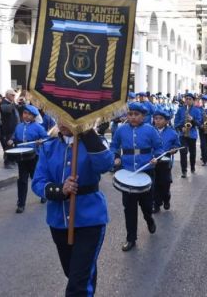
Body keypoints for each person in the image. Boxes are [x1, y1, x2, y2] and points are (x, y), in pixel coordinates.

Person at [32, 123, 113, 296]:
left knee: (78, 283)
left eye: (68, 117)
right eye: (60, 117)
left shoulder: (94, 141)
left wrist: (87, 133)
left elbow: (106, 165)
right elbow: (38, 181)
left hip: (90, 219)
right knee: (74, 272)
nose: (63, 122)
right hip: (58, 220)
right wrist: (60, 189)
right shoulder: (49, 146)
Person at [110, 102, 162, 252]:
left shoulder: (150, 130)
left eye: (136, 114)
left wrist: (156, 158)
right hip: (127, 173)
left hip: (146, 171)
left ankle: (149, 219)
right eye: (130, 114)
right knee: (129, 208)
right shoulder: (121, 130)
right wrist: (116, 157)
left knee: (146, 205)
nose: (133, 117)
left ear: (143, 116)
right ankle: (130, 238)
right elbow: (114, 146)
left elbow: (159, 148)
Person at [10, 105, 49, 213]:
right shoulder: (19, 126)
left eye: (29, 114)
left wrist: (41, 141)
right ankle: (21, 204)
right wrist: (11, 140)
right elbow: (15, 137)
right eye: (24, 113)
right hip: (21, 157)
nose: (26, 115)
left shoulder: (38, 127)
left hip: (33, 156)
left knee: (35, 178)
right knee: (22, 180)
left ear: (33, 117)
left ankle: (43, 194)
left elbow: (47, 138)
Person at [152, 109, 181, 212]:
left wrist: (174, 149)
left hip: (165, 161)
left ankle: (166, 199)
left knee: (165, 183)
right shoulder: (150, 131)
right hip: (153, 161)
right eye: (156, 118)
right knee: (154, 183)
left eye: (160, 119)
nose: (158, 121)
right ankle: (156, 204)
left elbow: (177, 145)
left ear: (167, 121)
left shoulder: (172, 133)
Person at [174, 93, 202, 178]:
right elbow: (176, 121)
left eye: (190, 99)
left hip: (192, 134)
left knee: (192, 153)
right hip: (183, 134)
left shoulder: (197, 110)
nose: (188, 100)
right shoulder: (180, 110)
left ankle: (192, 166)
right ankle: (184, 171)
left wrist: (192, 119)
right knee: (183, 152)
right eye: (186, 99)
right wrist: (180, 127)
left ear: (193, 100)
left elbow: (199, 123)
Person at [0, 89, 20, 169]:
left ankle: (12, 160)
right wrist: (15, 102)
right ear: (7, 95)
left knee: (13, 145)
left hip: (14, 127)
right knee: (8, 145)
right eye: (12, 95)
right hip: (7, 128)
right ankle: (7, 162)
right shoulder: (3, 102)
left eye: (14, 95)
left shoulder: (11, 103)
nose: (14, 97)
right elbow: (6, 110)